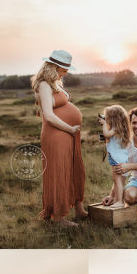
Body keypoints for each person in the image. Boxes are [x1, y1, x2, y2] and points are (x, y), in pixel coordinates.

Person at [31, 49, 87, 226]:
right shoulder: (44, 85)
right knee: (59, 173)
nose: (66, 73)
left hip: (67, 133)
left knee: (73, 168)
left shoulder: (55, 83)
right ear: (53, 67)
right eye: (64, 70)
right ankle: (58, 217)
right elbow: (48, 115)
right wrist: (70, 128)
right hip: (57, 134)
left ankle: (78, 209)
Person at [97, 105, 132, 209]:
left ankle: (120, 201)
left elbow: (107, 134)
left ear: (113, 118)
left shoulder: (115, 129)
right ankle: (117, 199)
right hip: (122, 159)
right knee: (119, 181)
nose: (105, 119)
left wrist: (104, 124)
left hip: (117, 160)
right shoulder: (121, 128)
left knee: (117, 180)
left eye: (107, 117)